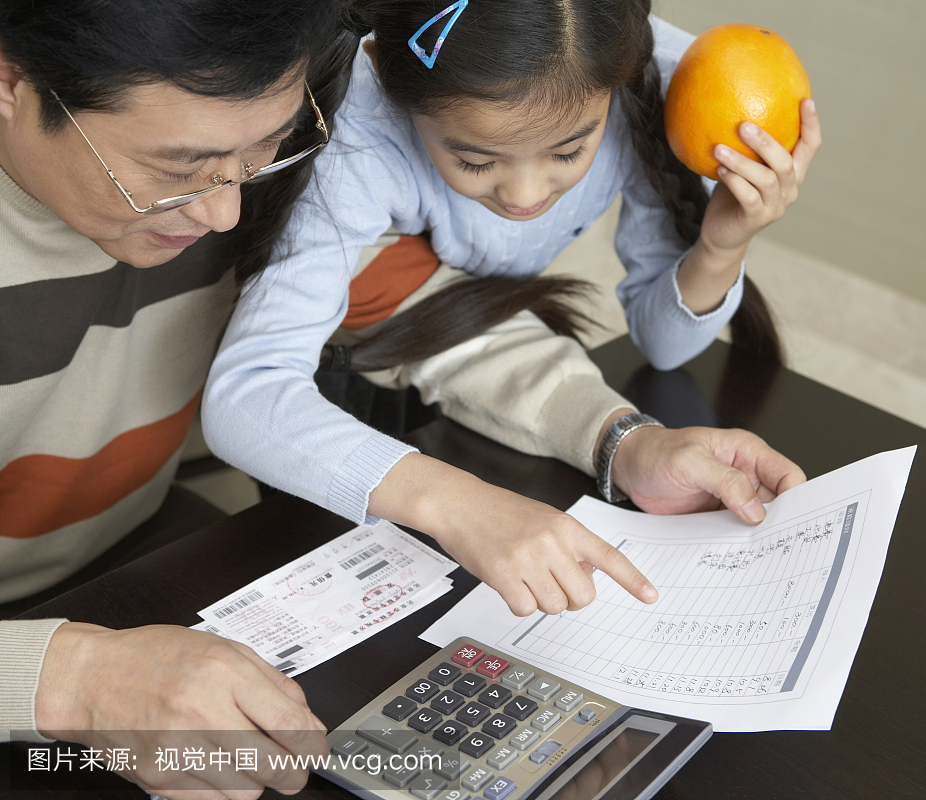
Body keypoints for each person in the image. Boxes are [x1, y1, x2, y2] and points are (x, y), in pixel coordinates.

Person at [203, 0, 821, 619]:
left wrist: (722, 243)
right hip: (356, 343)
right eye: (475, 160)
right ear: (398, 91)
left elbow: (666, 347)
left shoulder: (663, 77)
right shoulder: (358, 127)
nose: (525, 195)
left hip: (464, 326)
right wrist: (464, 506)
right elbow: (246, 395)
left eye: (568, 151)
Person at [0, 0, 355, 794]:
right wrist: (68, 676)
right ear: (12, 81)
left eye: (269, 146)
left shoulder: (246, 167)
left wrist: (616, 435)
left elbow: (435, 308)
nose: (225, 211)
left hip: (138, 558)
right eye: (174, 169)